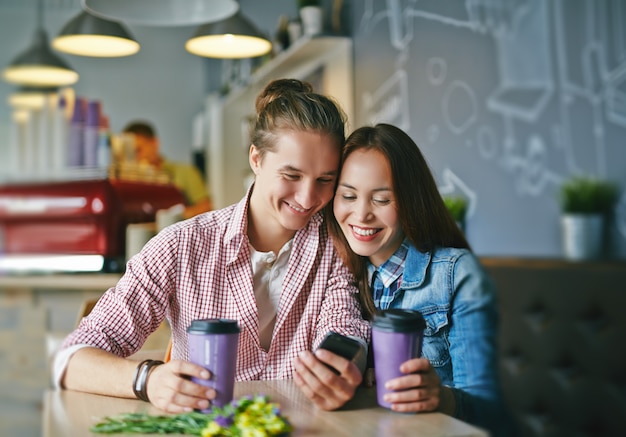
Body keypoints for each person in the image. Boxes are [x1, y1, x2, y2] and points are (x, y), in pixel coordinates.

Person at [53, 79, 370, 414]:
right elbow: (72, 359)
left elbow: (344, 326)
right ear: (257, 159)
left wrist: (342, 365)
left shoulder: (337, 244)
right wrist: (149, 379)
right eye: (291, 175)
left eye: (324, 180)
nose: (308, 198)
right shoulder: (180, 246)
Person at [326, 123, 515, 434]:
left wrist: (440, 398)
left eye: (382, 200)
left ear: (410, 200)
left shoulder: (456, 275)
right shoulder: (338, 275)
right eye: (348, 195)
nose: (361, 215)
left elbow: (489, 413)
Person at [122, 120, 213, 218]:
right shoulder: (128, 181)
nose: (136, 158)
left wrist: (175, 218)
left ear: (154, 143)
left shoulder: (186, 172)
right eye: (130, 153)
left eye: (138, 150)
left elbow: (206, 207)